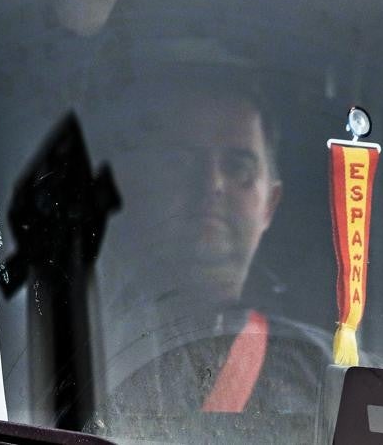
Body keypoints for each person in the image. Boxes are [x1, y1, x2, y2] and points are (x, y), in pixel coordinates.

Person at [88, 68, 332, 436]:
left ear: (270, 204)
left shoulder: (326, 370)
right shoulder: (78, 344)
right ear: (134, 187)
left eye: (238, 167)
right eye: (180, 162)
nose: (212, 184)